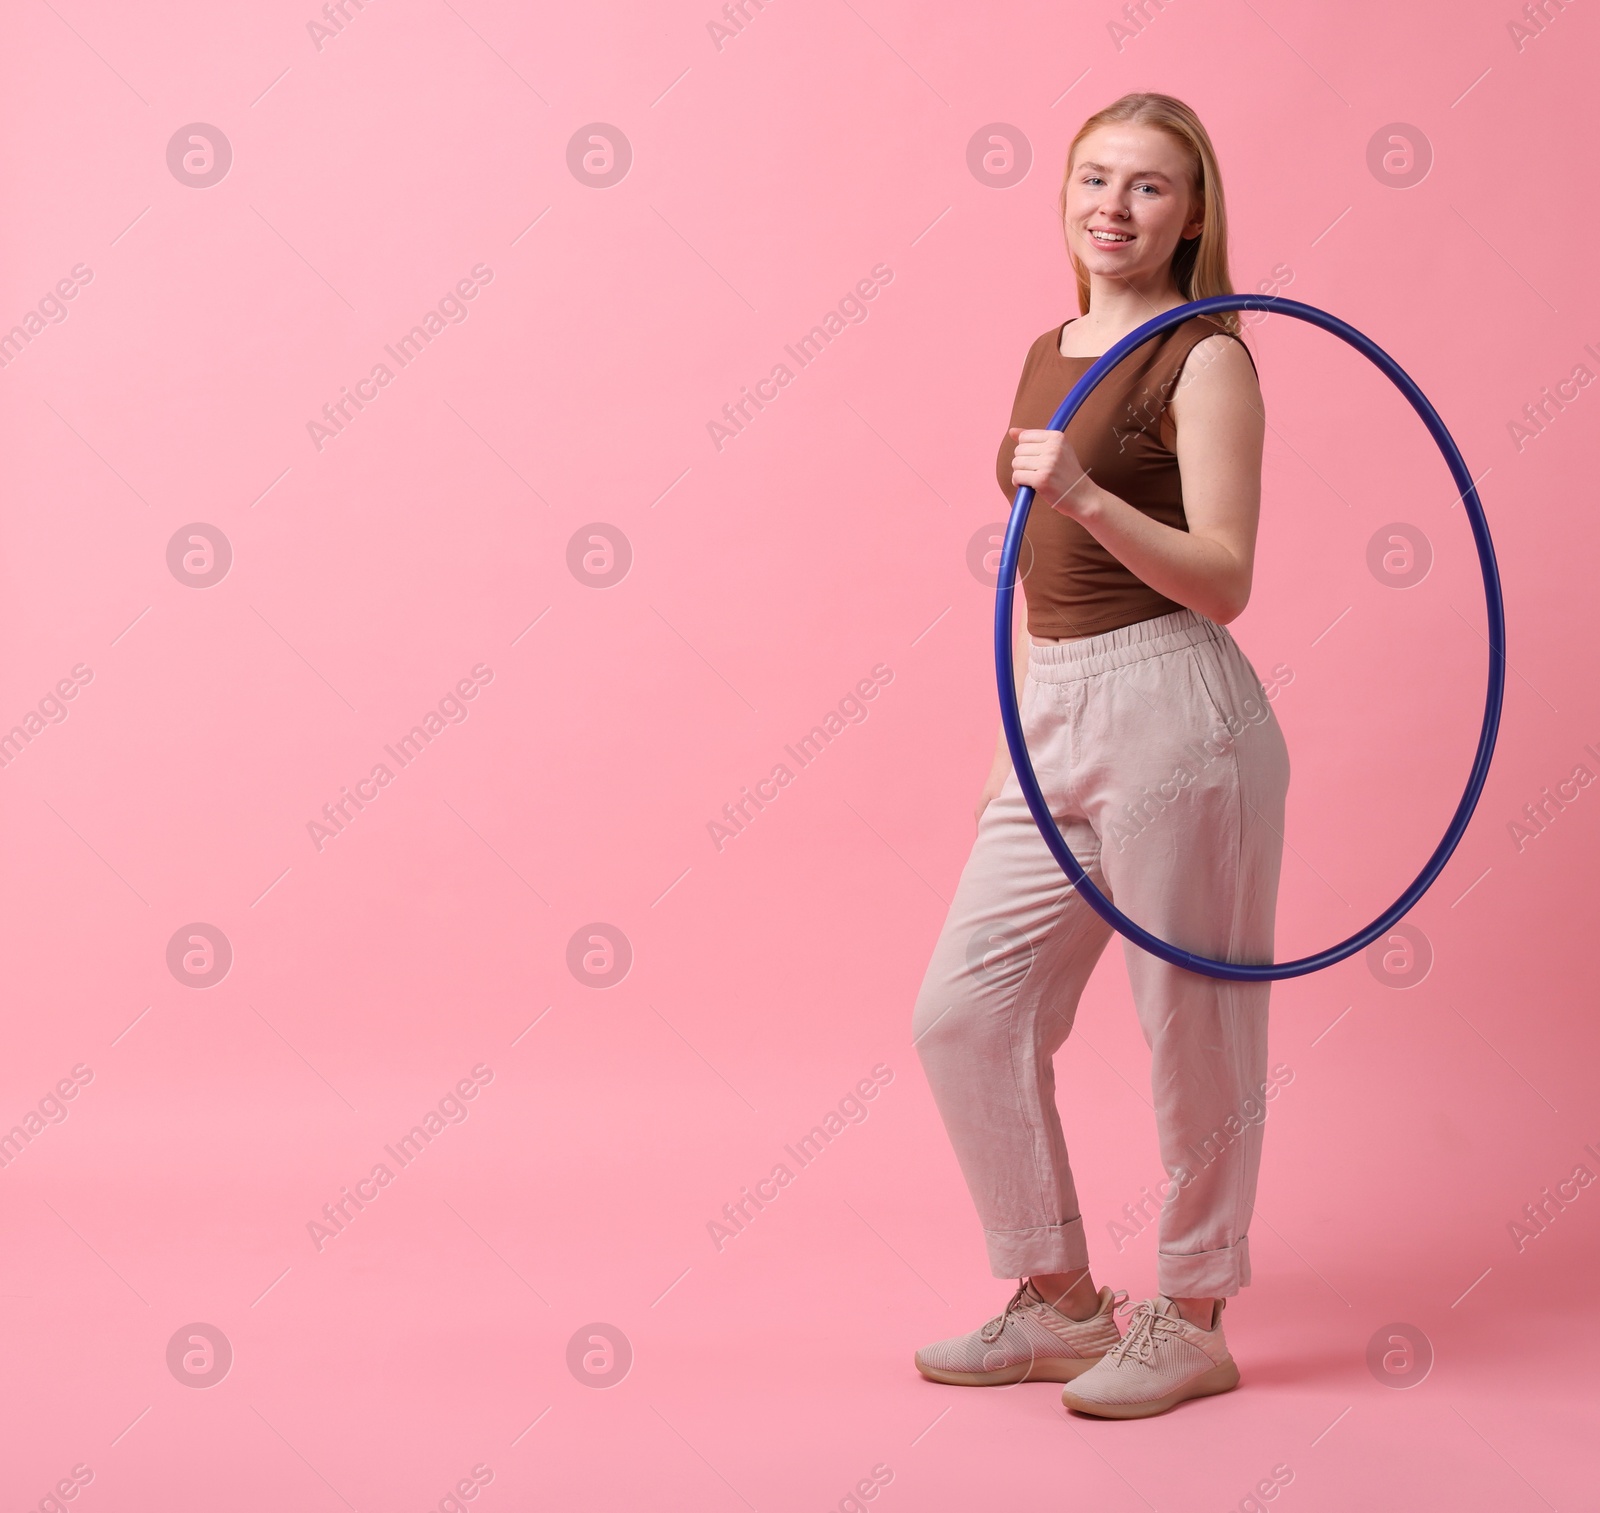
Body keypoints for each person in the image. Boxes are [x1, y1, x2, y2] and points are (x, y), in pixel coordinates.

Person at [910, 92, 1289, 1420]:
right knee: (962, 1010)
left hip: (1180, 710)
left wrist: (1080, 489)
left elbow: (1225, 578)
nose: (1113, 209)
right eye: (1093, 180)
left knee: (1192, 1022)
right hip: (1050, 704)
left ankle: (1191, 1313)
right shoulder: (1049, 346)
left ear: (1194, 215)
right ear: (1064, 195)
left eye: (1148, 187)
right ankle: (1063, 1303)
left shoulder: (1210, 358)